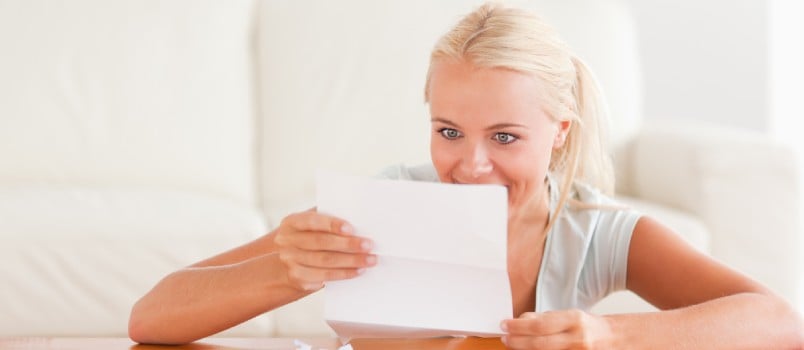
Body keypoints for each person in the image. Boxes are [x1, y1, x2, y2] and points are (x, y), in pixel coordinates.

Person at [129, 3, 804, 348]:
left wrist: (611, 335)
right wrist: (284, 267)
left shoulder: (594, 232)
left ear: (558, 133)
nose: (470, 165)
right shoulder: (386, 205)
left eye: (505, 137)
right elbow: (150, 318)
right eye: (449, 131)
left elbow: (778, 323)